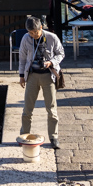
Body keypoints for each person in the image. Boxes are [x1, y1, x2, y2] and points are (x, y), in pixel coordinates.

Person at [17, 17, 64, 149]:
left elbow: (61, 53)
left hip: (48, 76)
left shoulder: (52, 37)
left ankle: (54, 137)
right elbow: (22, 58)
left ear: (41, 28)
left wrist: (51, 62)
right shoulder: (26, 39)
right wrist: (21, 76)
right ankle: (24, 135)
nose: (33, 35)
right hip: (32, 75)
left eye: (35, 33)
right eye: (30, 33)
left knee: (51, 109)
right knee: (27, 109)